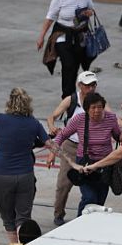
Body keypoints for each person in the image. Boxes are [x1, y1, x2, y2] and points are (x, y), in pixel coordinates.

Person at [0, 88, 51, 244]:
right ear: (28, 103)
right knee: (23, 218)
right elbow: (49, 143)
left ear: (10, 102)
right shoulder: (33, 123)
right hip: (24, 175)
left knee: (8, 219)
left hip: (1, 174)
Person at [48, 92, 121, 216]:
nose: (97, 111)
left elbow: (118, 136)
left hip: (105, 165)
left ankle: (93, 227)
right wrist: (53, 152)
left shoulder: (111, 119)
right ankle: (79, 222)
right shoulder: (79, 119)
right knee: (89, 198)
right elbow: (62, 135)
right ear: (86, 109)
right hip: (85, 165)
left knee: (100, 200)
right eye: (93, 108)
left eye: (99, 107)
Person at [45, 70, 98, 225]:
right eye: (88, 85)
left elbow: (111, 116)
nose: (92, 88)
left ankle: (85, 217)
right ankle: (58, 214)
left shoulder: (98, 101)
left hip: (90, 149)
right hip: (70, 146)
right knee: (63, 184)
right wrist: (51, 126)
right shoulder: (71, 100)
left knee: (90, 186)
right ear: (80, 85)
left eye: (94, 85)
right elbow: (52, 116)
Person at [37, 0, 98, 102]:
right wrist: (41, 36)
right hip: (63, 35)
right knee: (68, 64)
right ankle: (67, 96)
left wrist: (88, 13)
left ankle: (73, 95)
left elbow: (91, 9)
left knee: (76, 65)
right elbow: (50, 17)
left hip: (80, 35)